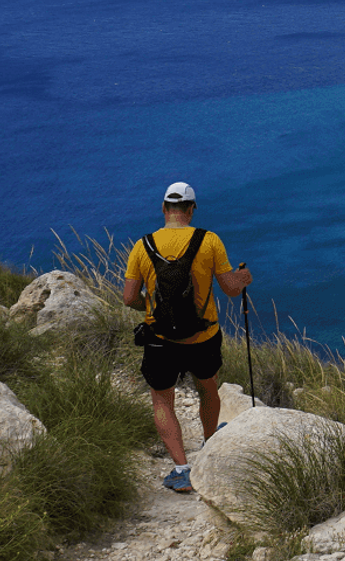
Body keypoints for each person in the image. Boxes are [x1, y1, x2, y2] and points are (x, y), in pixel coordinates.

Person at [122, 181, 251, 494]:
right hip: (202, 336)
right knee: (208, 389)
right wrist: (243, 277)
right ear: (191, 210)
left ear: (165, 209)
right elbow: (231, 289)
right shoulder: (209, 241)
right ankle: (208, 448)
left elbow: (128, 298)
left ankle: (181, 469)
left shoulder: (143, 246)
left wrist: (150, 306)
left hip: (159, 338)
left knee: (163, 400)